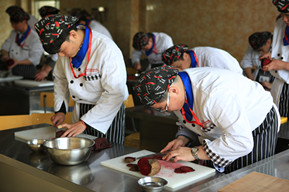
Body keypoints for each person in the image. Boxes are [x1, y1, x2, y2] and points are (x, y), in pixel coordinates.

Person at [133, 65, 280, 173]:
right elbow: (192, 115)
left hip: (256, 122)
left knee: (248, 178)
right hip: (225, 128)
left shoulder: (214, 94)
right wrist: (183, 137)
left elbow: (241, 142)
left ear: (173, 91)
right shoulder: (179, 85)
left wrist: (193, 153)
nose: (165, 111)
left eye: (162, 108)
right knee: (222, 179)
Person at [34, 15, 129, 144]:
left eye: (61, 50)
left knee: (106, 155)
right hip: (80, 109)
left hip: (107, 112)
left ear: (73, 35)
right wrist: (61, 111)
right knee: (79, 153)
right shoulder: (65, 50)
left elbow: (115, 94)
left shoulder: (106, 49)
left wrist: (85, 122)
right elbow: (60, 79)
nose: (60, 56)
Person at [0, 7, 43, 79]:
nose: (13, 26)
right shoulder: (13, 34)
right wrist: (5, 55)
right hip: (12, 71)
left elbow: (35, 59)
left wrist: (17, 62)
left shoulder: (34, 37)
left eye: (15, 24)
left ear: (24, 22)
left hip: (28, 72)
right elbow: (4, 47)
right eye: (12, 24)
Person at [263, 0, 289, 119]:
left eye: (287, 15)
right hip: (279, 85)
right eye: (283, 15)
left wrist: (283, 65)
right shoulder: (281, 22)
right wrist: (271, 55)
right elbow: (281, 48)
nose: (284, 19)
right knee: (277, 125)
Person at [162, 44, 242, 74]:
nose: (179, 70)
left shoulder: (211, 57)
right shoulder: (190, 57)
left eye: (179, 66)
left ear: (185, 56)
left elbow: (230, 75)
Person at [34, 6, 60, 81]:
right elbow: (52, 54)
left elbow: (57, 54)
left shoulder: (58, 29)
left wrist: (45, 71)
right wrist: (43, 68)